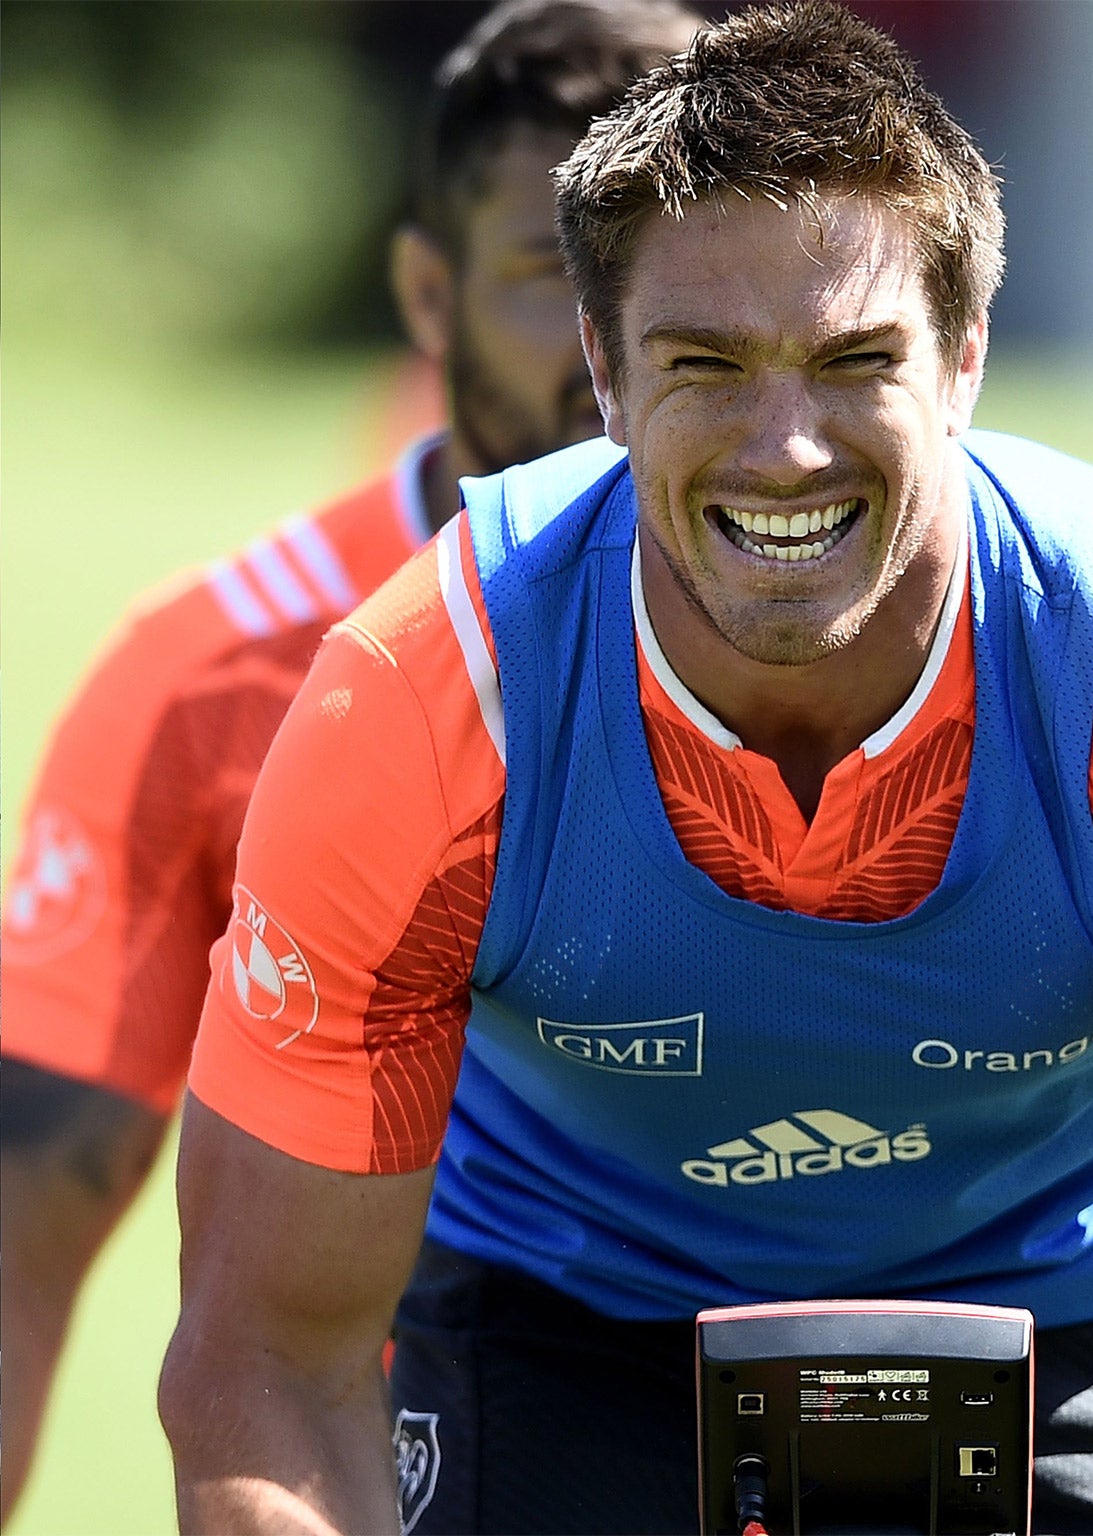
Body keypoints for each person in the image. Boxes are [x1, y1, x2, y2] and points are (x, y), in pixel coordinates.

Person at [157, 7, 1093, 1534]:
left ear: (967, 362)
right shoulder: (425, 703)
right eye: (707, 365)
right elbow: (263, 1359)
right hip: (560, 1312)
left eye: (856, 357)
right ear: (599, 370)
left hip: (1078, 1309)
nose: (785, 447)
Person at [0, 0, 704, 1521]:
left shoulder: (938, 627)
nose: (622, 353)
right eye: (555, 278)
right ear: (428, 294)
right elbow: (19, 1224)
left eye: (678, 283)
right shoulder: (210, 682)